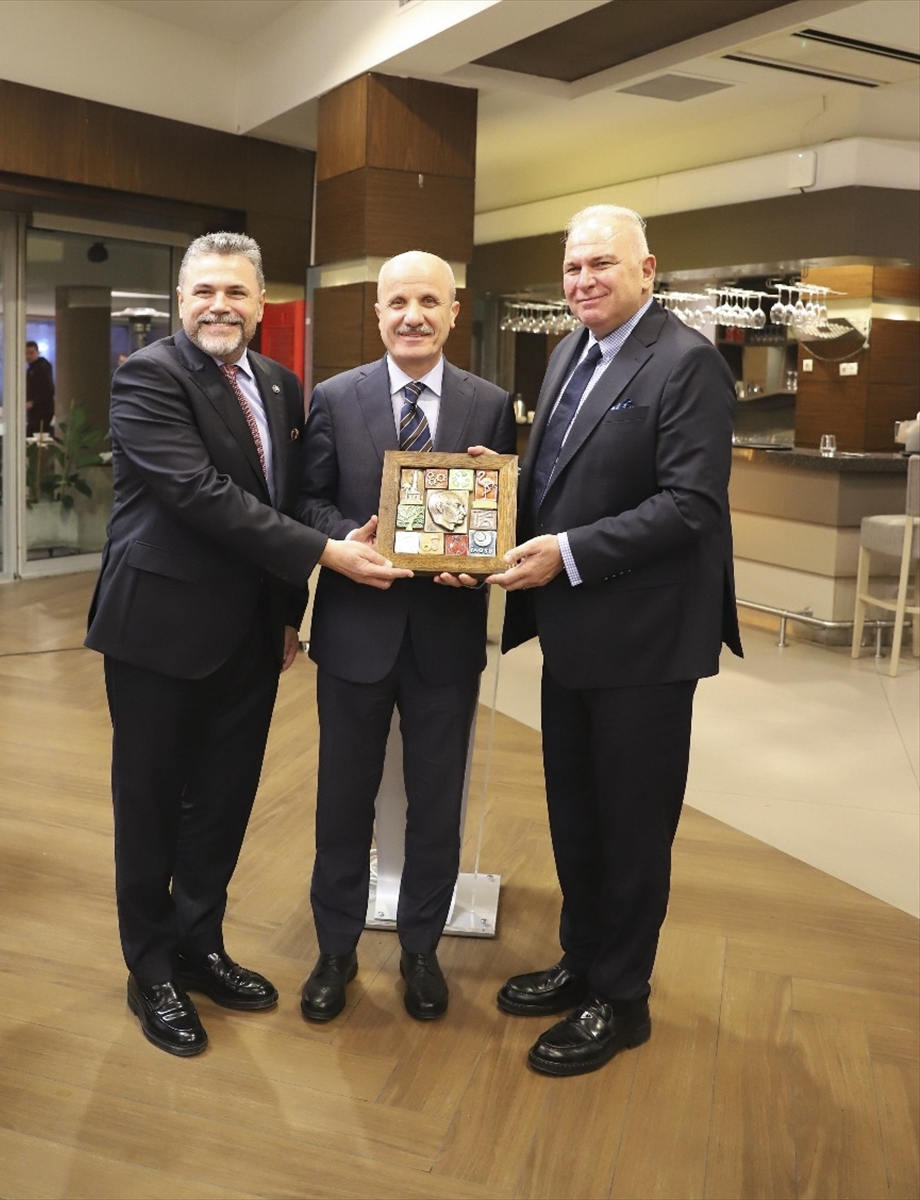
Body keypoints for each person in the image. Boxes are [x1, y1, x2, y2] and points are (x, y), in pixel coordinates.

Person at [85, 232, 408, 1057]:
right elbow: (200, 495)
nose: (219, 306)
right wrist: (327, 554)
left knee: (222, 803)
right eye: (203, 292)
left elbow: (285, 498)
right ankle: (150, 969)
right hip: (157, 632)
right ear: (180, 301)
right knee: (151, 805)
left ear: (262, 303)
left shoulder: (278, 382)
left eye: (235, 292)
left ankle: (200, 947)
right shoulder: (148, 376)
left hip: (251, 634)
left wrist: (292, 604)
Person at [487, 205, 742, 1076]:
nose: (583, 280)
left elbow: (689, 505)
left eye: (600, 263)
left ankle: (622, 999)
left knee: (632, 827)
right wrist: (491, 509)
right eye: (571, 268)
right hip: (573, 635)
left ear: (646, 269)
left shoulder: (686, 362)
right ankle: (583, 959)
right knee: (577, 814)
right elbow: (560, 477)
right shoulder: (569, 352)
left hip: (646, 641)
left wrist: (564, 553)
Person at [296, 250, 515, 1023]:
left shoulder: (489, 404)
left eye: (428, 301)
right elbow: (307, 500)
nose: (412, 316)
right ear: (378, 313)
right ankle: (335, 949)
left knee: (436, 802)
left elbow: (498, 515)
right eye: (397, 303)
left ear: (453, 312)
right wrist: (342, 540)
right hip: (354, 632)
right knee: (341, 802)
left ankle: (421, 948)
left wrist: (482, 556)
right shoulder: (334, 397)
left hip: (446, 638)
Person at [25, 341, 55, 436]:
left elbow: (48, 389)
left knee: (35, 435)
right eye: (26, 353)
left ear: (38, 352)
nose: (28, 356)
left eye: (31, 353)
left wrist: (33, 402)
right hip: (34, 411)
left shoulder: (42, 367)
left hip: (42, 410)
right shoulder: (31, 369)